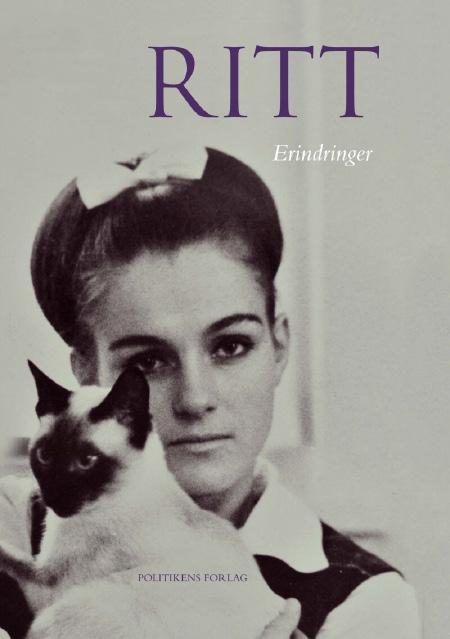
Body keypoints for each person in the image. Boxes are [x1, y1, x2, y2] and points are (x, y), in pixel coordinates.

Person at [0, 146, 420, 639]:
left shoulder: (364, 602)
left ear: (279, 346)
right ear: (87, 374)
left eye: (231, 346)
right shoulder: (12, 526)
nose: (196, 399)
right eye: (146, 363)